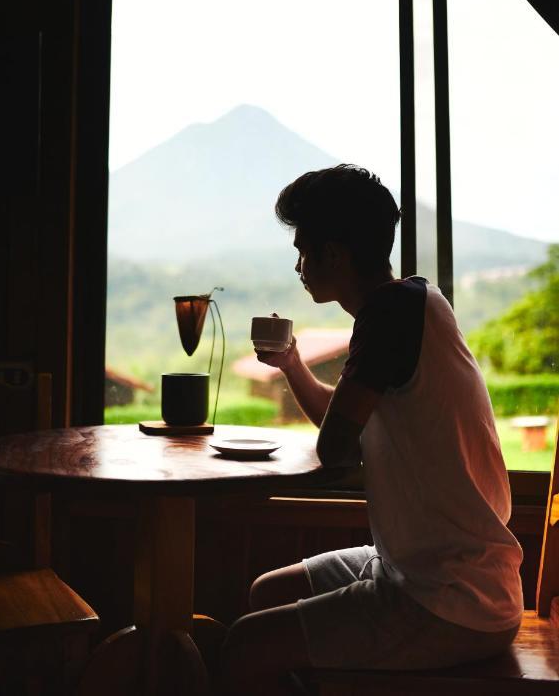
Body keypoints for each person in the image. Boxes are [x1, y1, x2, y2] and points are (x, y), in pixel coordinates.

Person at [219, 164, 523, 696]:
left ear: (334, 254)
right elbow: (346, 432)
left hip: (451, 597)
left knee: (246, 645)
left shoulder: (387, 313)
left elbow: (335, 449)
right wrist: (293, 365)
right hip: (424, 569)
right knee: (266, 593)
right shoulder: (415, 302)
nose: (299, 265)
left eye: (303, 250)